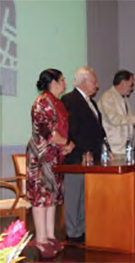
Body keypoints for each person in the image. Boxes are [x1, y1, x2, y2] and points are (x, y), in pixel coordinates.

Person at [26, 69, 75, 258]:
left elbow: (61, 130)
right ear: (53, 83)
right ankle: (41, 239)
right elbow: (48, 133)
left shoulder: (57, 102)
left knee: (52, 196)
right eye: (62, 80)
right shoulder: (42, 103)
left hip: (55, 155)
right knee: (41, 196)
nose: (65, 83)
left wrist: (67, 146)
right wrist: (67, 143)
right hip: (41, 157)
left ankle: (50, 235)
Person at [61, 67, 110, 244]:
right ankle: (73, 233)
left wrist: (106, 149)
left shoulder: (92, 103)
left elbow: (99, 130)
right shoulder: (70, 100)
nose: (97, 85)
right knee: (74, 195)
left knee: (85, 195)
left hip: (92, 156)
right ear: (84, 81)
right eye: (94, 81)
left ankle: (82, 229)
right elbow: (72, 130)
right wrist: (83, 151)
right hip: (77, 157)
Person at [98, 70, 135, 157]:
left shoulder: (124, 99)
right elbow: (115, 119)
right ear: (123, 83)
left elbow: (127, 119)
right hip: (114, 149)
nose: (132, 88)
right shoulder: (108, 97)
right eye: (131, 85)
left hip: (125, 148)